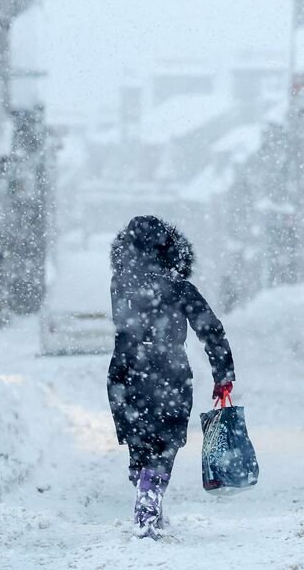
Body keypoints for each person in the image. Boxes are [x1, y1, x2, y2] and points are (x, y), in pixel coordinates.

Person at [107, 216, 236, 538]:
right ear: (171, 249)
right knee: (165, 441)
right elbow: (211, 330)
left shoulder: (119, 284)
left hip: (125, 369)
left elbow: (127, 321)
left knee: (139, 437)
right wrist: (223, 374)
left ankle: (144, 488)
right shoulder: (179, 287)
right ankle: (150, 496)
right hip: (169, 370)